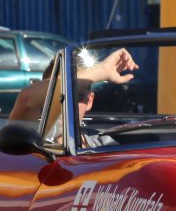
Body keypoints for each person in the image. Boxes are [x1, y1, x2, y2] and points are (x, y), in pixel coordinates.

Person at [8, 47, 138, 147]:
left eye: (78, 97)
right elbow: (27, 97)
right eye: (57, 95)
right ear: (42, 98)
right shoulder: (29, 139)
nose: (66, 105)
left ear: (89, 101)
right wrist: (102, 70)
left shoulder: (103, 145)